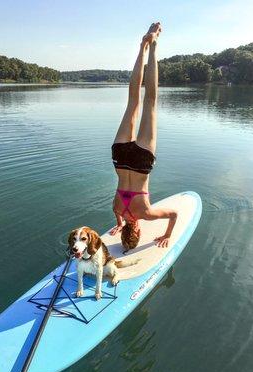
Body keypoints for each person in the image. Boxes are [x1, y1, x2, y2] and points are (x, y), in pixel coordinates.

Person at [110, 22, 177, 252]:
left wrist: (167, 236)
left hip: (140, 165)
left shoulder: (145, 214)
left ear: (137, 230)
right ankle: (143, 46)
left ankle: (155, 46)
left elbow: (173, 214)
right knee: (133, 100)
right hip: (119, 158)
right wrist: (119, 225)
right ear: (124, 230)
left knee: (150, 102)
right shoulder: (116, 209)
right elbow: (118, 216)